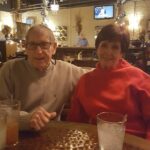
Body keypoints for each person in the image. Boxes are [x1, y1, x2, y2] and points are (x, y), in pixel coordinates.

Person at [68, 24, 150, 139]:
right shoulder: (85, 81)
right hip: (96, 141)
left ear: (122, 53)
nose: (108, 52)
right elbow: (75, 122)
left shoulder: (140, 79)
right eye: (104, 45)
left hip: (134, 142)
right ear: (97, 49)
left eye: (115, 47)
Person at [0, 24, 87, 131]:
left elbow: (96, 77)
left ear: (54, 48)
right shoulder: (10, 69)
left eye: (44, 45)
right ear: (25, 47)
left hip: (52, 133)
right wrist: (26, 119)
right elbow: (2, 110)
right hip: (16, 133)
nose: (38, 51)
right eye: (32, 45)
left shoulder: (68, 71)